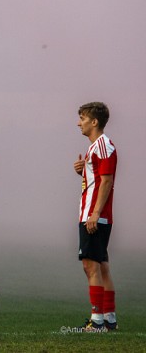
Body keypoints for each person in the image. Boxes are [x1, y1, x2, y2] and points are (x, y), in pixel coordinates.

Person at [73, 102, 118, 332]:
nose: (78, 123)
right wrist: (84, 169)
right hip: (93, 214)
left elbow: (107, 181)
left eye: (82, 118)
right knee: (101, 267)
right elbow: (99, 178)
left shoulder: (103, 146)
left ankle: (97, 320)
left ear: (94, 122)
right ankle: (109, 318)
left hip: (94, 216)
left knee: (91, 266)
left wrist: (95, 213)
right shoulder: (95, 148)